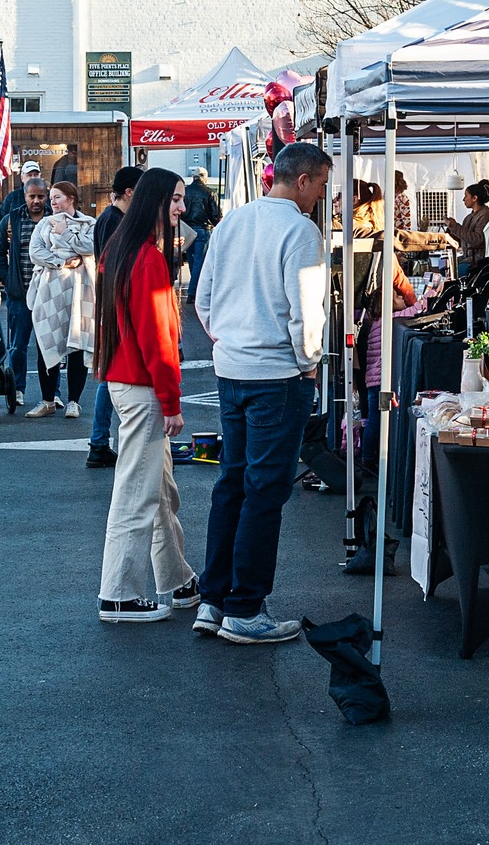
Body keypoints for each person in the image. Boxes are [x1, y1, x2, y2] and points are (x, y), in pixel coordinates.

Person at [192, 141, 333, 644]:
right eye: (320, 185)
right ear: (303, 181)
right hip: (277, 374)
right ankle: (245, 608)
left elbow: (202, 298)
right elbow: (307, 311)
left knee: (233, 481)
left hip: (232, 369)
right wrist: (308, 364)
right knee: (264, 489)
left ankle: (215, 599)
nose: (321, 195)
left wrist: (228, 340)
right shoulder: (300, 229)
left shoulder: (232, 222)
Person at [94, 167, 199, 623]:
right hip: (141, 386)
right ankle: (118, 593)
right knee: (139, 491)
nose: (181, 208)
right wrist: (171, 403)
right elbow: (158, 337)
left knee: (156, 488)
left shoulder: (120, 249)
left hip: (126, 381)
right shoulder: (148, 258)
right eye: (175, 200)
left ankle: (176, 579)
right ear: (155, 202)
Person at [85, 165, 143, 468]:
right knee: (111, 374)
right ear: (130, 192)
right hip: (116, 305)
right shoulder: (112, 220)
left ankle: (99, 442)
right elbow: (114, 266)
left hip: (113, 304)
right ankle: (98, 442)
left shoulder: (113, 218)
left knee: (111, 373)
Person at [26, 180, 95, 418]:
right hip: (50, 291)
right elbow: (36, 252)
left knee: (77, 343)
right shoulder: (44, 225)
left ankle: (73, 401)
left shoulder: (88, 223)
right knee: (47, 341)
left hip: (80, 291)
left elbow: (92, 246)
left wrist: (65, 234)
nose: (52, 202)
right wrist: (62, 261)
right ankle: (47, 400)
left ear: (71, 199)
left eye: (57, 197)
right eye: (51, 198)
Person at [0, 178, 47, 401]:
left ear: (46, 195)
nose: (36, 201)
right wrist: (6, 278)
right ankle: (17, 389)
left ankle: (52, 394)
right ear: (24, 196)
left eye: (40, 196)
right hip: (20, 294)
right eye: (31, 196)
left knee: (49, 348)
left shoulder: (54, 219)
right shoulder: (11, 219)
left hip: (48, 294)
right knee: (18, 347)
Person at [182, 166, 221, 297]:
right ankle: (193, 292)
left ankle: (195, 288)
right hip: (203, 229)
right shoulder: (209, 192)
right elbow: (215, 215)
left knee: (192, 260)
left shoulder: (185, 192)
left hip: (187, 230)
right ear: (204, 177)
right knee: (200, 260)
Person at [444, 180, 489, 268]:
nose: (463, 199)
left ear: (474, 198)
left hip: (478, 260)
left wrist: (455, 227)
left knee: (450, 268)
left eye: (466, 195)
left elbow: (477, 240)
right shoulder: (470, 217)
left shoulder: (485, 216)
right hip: (469, 257)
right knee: (445, 265)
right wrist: (450, 233)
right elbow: (464, 237)